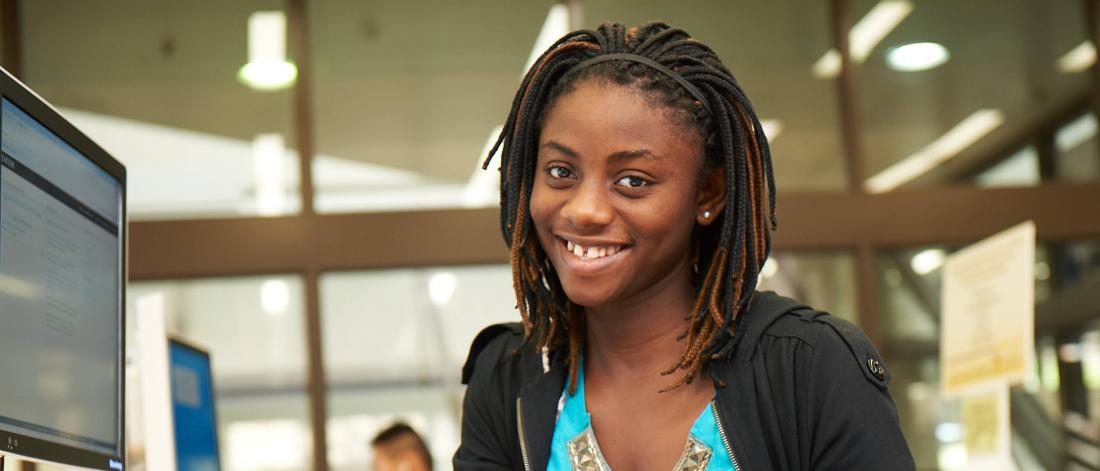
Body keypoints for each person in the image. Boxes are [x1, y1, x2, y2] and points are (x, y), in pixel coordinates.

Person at [454, 22, 914, 471]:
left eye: (633, 180)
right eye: (560, 171)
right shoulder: (507, 378)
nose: (584, 210)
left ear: (708, 195)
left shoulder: (808, 366)